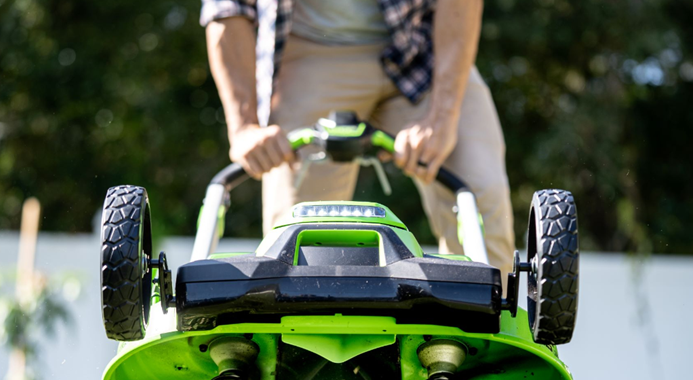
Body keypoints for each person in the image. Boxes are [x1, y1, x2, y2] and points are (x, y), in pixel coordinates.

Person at [201, 0, 515, 275]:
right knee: (297, 238)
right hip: (312, 50)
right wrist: (244, 126)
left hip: (423, 47)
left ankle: (489, 330)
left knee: (479, 189)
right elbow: (227, 7)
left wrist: (443, 117)